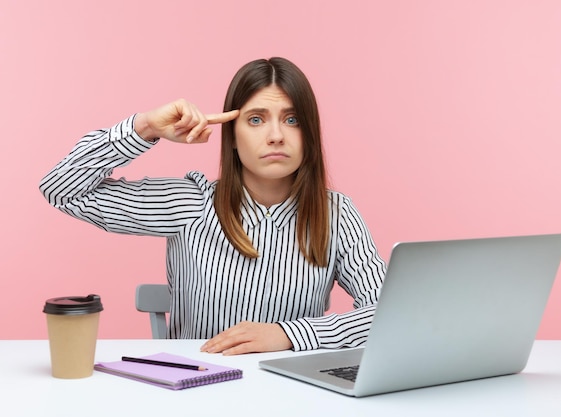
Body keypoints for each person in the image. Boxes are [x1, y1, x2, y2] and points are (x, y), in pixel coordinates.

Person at [40, 57, 386, 355]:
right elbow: (63, 189)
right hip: (198, 391)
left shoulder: (336, 214)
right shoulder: (191, 203)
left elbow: (388, 313)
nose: (276, 135)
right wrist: (145, 127)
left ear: (309, 135)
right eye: (256, 119)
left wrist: (289, 334)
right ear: (231, 137)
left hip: (293, 393)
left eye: (292, 120)